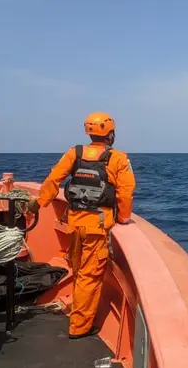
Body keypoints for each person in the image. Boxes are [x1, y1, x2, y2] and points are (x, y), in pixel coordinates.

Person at [28, 112, 136, 339]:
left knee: (78, 271)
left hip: (74, 223)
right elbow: (126, 192)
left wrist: (39, 202)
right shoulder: (117, 158)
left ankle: (79, 313)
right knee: (89, 275)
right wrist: (123, 218)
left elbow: (53, 180)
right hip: (97, 227)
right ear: (110, 133)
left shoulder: (75, 153)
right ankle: (79, 327)